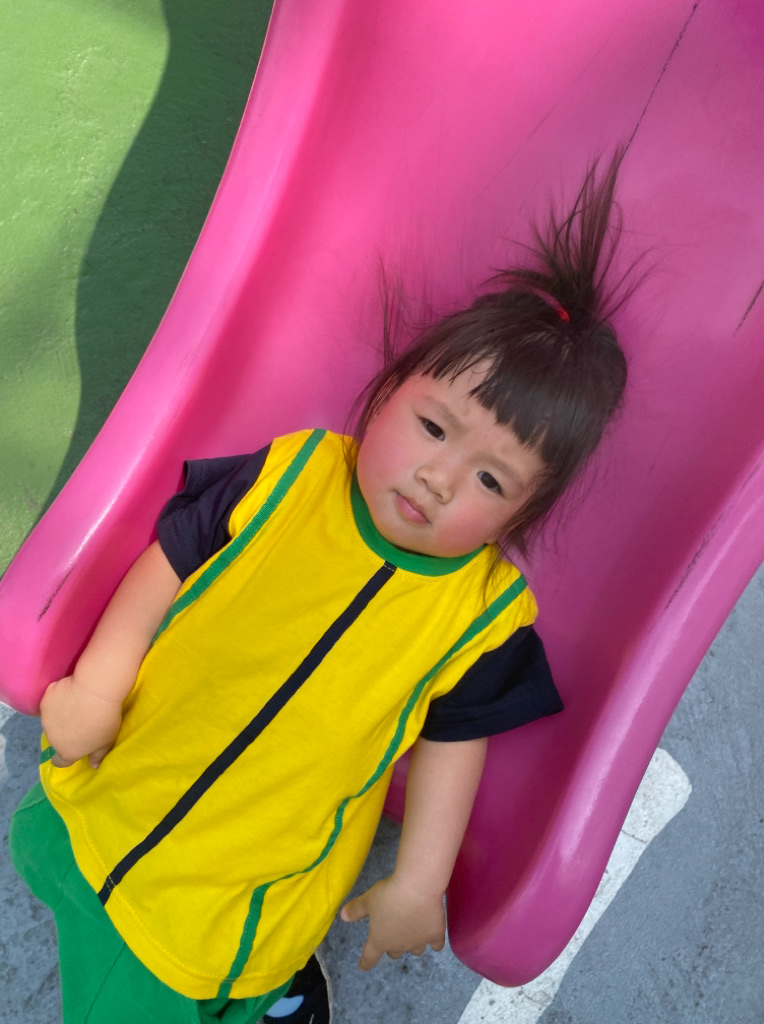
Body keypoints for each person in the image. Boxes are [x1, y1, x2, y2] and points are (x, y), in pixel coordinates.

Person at [11, 150, 634, 1024]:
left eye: (492, 481)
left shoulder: (478, 616)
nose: (439, 480)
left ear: (520, 516)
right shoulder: (291, 478)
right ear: (389, 392)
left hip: (232, 899)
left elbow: (454, 746)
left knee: (168, 984)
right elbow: (171, 557)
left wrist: (419, 881)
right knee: (52, 855)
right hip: (117, 784)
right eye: (433, 428)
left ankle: (274, 988)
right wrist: (100, 685)